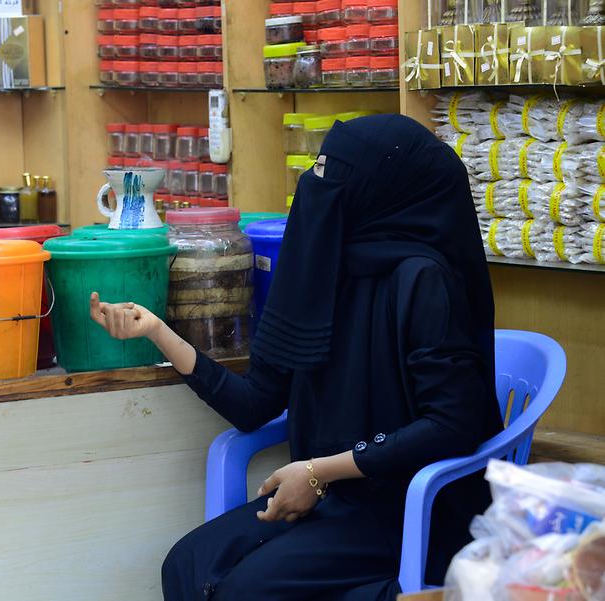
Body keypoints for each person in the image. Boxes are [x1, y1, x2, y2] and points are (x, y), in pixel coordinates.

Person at [89, 115, 504, 600]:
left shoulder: (424, 280)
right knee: (186, 566)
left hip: (407, 506)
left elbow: (453, 425)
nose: (316, 185)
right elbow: (257, 402)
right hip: (332, 496)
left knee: (245, 591)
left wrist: (318, 471)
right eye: (318, 168)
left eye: (334, 173)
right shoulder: (324, 264)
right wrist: (157, 331)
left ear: (383, 189)